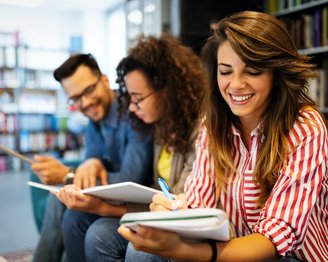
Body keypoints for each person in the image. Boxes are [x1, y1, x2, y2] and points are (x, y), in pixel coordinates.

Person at [118, 11, 328, 262]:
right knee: (140, 252)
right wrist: (174, 212)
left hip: (291, 257)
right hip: (230, 249)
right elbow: (198, 201)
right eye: (225, 71)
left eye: (252, 71)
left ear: (277, 73)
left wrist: (190, 251)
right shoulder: (214, 124)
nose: (236, 84)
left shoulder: (305, 127)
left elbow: (273, 240)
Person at [55, 34, 207, 261]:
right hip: (155, 209)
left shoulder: (199, 132)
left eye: (138, 99)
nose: (132, 108)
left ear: (166, 88)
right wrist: (91, 163)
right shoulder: (160, 126)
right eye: (130, 99)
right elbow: (156, 189)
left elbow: (176, 206)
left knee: (106, 237)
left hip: (177, 217)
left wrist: (102, 207)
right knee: (75, 217)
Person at [31, 53, 153, 262]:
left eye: (88, 90)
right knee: (61, 199)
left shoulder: (134, 112)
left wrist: (68, 173)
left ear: (104, 80)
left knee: (72, 214)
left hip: (138, 200)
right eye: (76, 98)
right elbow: (92, 162)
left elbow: (130, 179)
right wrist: (90, 163)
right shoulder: (93, 123)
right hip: (115, 197)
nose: (85, 102)